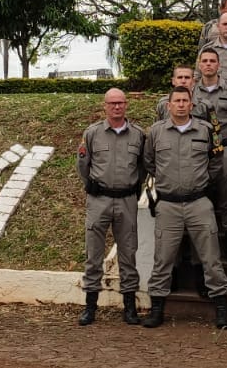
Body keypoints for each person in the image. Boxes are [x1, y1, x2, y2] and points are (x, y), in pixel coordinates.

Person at [140, 87, 227, 328]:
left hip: (199, 203)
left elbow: (216, 162)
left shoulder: (206, 130)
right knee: (163, 259)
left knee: (211, 257)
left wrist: (200, 182)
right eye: (176, 101)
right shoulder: (156, 133)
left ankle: (221, 307)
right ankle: (157, 308)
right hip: (168, 204)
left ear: (192, 105)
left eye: (185, 101)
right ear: (168, 105)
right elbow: (149, 162)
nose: (181, 104)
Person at [76, 89, 147, 326]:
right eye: (112, 103)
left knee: (128, 253)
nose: (117, 107)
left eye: (121, 103)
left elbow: (143, 168)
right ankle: (90, 307)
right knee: (93, 254)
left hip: (127, 200)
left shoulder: (138, 135)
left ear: (126, 105)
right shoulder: (92, 133)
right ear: (105, 106)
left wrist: (133, 189)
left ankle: (129, 308)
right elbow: (83, 166)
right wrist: (93, 186)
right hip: (99, 200)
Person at [193, 49, 227, 263]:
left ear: (219, 65)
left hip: (225, 149)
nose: (208, 64)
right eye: (204, 61)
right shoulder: (192, 92)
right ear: (199, 65)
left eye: (212, 61)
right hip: (199, 153)